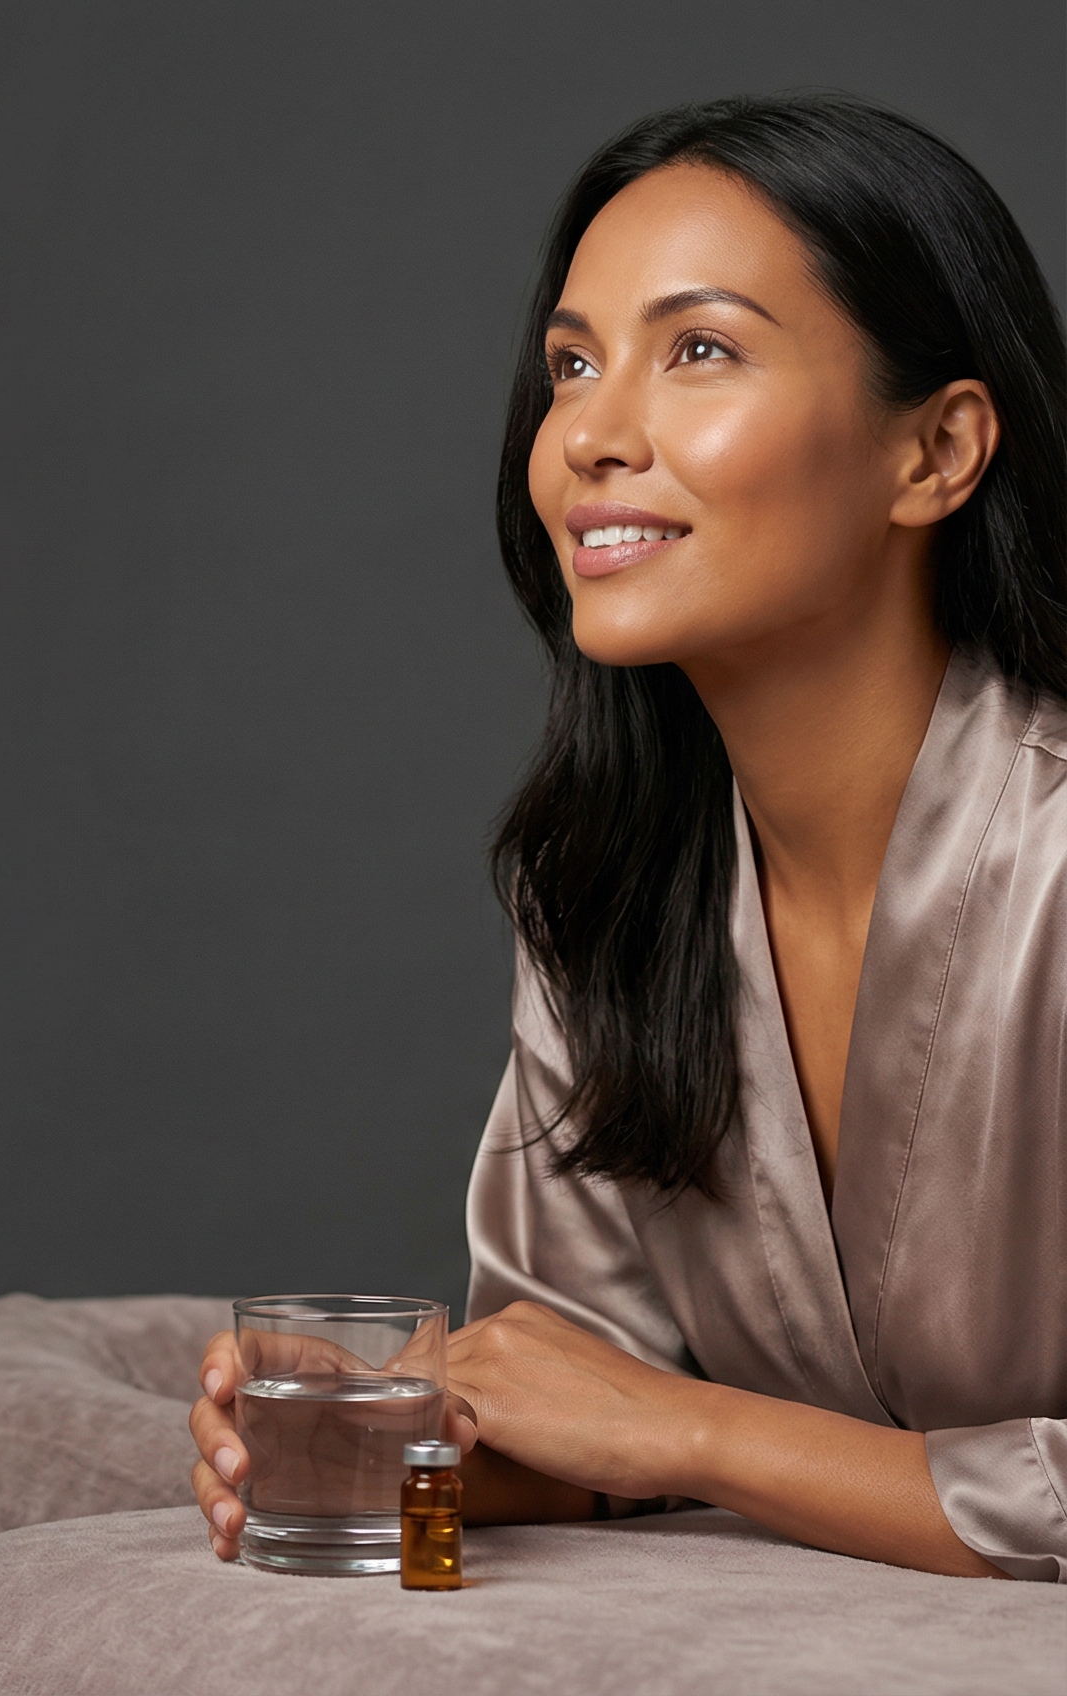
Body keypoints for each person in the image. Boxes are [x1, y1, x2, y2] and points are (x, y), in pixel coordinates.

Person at [190, 93, 1067, 1581]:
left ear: (937, 451)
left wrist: (693, 1433)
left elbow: (654, 1424)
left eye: (700, 350)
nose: (587, 436)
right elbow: (595, 1392)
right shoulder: (605, 894)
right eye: (572, 364)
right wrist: (409, 1440)